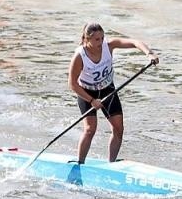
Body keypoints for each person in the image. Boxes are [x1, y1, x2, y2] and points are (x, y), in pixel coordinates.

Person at [68, 22, 158, 165]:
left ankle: (111, 163)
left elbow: (134, 42)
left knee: (118, 129)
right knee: (90, 129)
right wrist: (91, 100)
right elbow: (72, 84)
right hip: (86, 93)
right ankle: (80, 163)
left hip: (108, 90)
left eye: (102, 38)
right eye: (97, 39)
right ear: (86, 39)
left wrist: (149, 53)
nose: (101, 42)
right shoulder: (79, 56)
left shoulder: (109, 45)